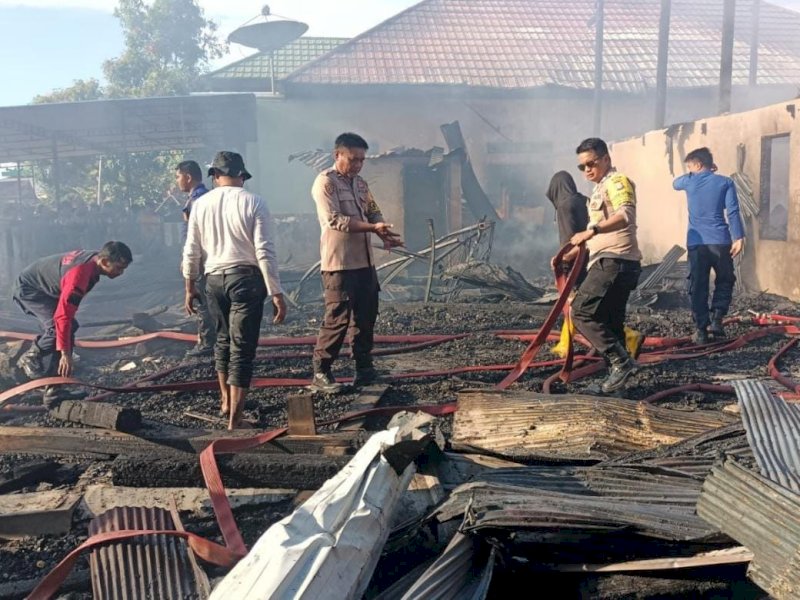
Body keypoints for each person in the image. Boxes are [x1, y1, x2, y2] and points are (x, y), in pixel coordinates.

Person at [182, 151, 286, 429]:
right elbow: (264, 251)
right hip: (246, 280)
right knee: (242, 348)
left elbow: (191, 250)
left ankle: (226, 401)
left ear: (215, 176)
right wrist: (276, 291)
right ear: (242, 176)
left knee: (222, 342)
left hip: (212, 280)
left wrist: (189, 286)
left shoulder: (200, 204)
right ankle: (235, 420)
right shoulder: (255, 202)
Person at [309, 132, 403, 393]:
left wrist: (383, 231)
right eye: (353, 159)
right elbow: (335, 220)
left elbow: (373, 209)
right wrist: (373, 227)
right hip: (339, 264)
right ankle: (321, 372)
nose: (358, 165)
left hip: (364, 263)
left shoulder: (360, 183)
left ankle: (364, 370)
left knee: (366, 317)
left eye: (362, 160)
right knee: (337, 318)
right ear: (337, 155)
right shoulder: (324, 183)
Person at [13, 241, 133, 405]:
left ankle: (54, 390)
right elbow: (63, 317)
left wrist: (66, 350)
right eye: (119, 268)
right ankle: (32, 355)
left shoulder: (95, 259)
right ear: (105, 262)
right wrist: (65, 354)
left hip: (45, 287)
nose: (121, 273)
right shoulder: (79, 276)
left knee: (69, 328)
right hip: (31, 290)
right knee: (57, 329)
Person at [569, 138, 642, 394]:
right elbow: (596, 234)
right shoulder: (600, 188)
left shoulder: (617, 182)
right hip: (614, 260)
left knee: (581, 312)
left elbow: (624, 216)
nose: (587, 170)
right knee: (610, 322)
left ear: (606, 159)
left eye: (591, 163)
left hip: (615, 261)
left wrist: (592, 231)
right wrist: (568, 255)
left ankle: (622, 363)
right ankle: (617, 386)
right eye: (582, 167)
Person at [548, 171, 645, 359]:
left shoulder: (564, 206)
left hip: (584, 260)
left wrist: (564, 265)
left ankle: (622, 347)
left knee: (577, 307)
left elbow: (569, 239)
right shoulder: (585, 200)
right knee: (601, 310)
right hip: (593, 258)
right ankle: (621, 352)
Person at [673, 147, 745, 344]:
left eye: (689, 166)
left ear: (697, 165)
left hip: (697, 245)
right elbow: (732, 211)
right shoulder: (725, 182)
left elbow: (675, 183)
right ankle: (717, 320)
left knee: (698, 285)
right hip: (721, 241)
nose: (688, 169)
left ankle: (701, 331)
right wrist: (738, 237)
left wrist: (693, 173)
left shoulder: (688, 181)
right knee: (725, 279)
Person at [175, 160, 215, 357]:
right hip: (209, 257)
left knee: (201, 300)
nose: (177, 181)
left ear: (188, 177)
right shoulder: (204, 196)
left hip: (201, 258)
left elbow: (194, 236)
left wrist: (191, 262)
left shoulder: (196, 200)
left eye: (178, 176)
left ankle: (207, 343)